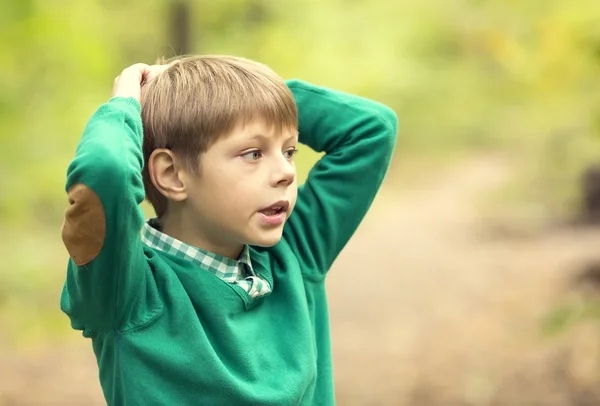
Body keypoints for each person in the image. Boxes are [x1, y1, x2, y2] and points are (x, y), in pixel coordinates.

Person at [60, 56, 397, 405]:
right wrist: (126, 102)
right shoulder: (126, 288)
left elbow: (373, 128)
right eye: (253, 153)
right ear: (173, 175)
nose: (286, 172)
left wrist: (240, 91)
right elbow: (105, 172)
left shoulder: (294, 253)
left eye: (290, 151)